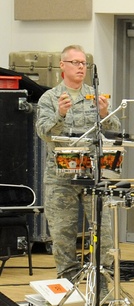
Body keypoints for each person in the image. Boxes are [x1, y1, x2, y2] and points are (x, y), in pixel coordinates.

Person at [35, 45, 121, 283]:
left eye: (84, 63)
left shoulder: (95, 96)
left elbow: (115, 132)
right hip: (60, 177)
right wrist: (59, 115)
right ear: (62, 66)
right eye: (75, 62)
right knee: (63, 233)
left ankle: (103, 282)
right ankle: (67, 282)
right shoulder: (50, 98)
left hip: (92, 174)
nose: (81, 67)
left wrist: (105, 114)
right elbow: (43, 133)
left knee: (103, 230)